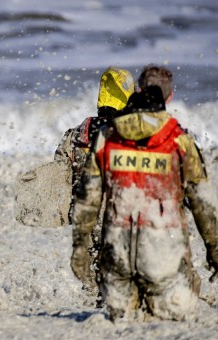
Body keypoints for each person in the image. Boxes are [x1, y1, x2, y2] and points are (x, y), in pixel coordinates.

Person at [70, 69, 218, 321]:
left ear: (137, 92)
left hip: (117, 259)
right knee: (180, 304)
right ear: (170, 96)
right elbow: (204, 204)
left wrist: (79, 249)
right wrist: (214, 250)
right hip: (163, 260)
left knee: (120, 313)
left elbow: (87, 199)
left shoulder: (108, 137)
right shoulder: (180, 140)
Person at [55, 66, 135, 293]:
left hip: (86, 219)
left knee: (93, 279)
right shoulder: (129, 137)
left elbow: (59, 179)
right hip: (119, 218)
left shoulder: (74, 136)